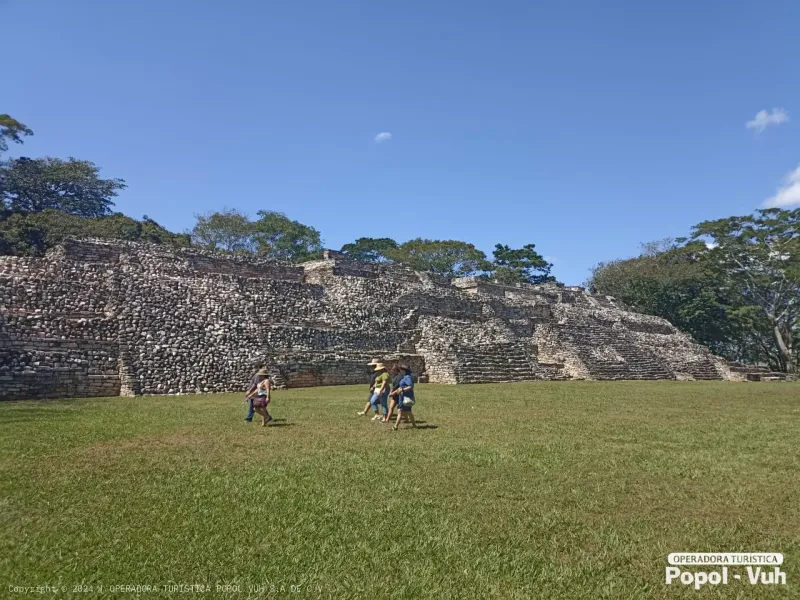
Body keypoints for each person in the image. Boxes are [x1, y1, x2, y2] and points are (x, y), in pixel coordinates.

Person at [393, 364, 416, 431]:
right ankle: (414, 425)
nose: (400, 371)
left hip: (406, 397)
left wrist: (402, 390)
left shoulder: (408, 377)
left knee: (400, 411)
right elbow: (402, 386)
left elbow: (410, 386)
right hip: (402, 396)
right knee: (408, 412)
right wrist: (395, 392)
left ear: (404, 370)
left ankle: (395, 426)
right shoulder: (405, 377)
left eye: (401, 369)